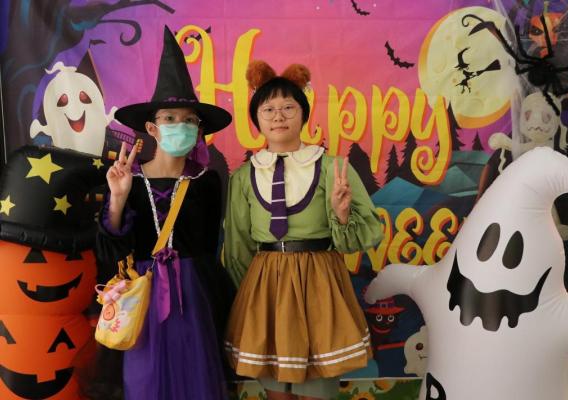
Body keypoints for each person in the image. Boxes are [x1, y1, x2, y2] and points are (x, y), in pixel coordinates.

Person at [224, 60, 383, 400]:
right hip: (266, 289)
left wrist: (341, 215)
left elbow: (368, 233)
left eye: (288, 107)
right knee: (276, 392)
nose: (278, 116)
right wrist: (252, 301)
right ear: (256, 118)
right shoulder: (244, 177)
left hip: (319, 283)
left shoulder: (332, 167)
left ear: (303, 114)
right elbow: (238, 246)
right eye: (268, 109)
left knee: (317, 390)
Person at [95, 26, 232, 400]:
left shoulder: (207, 181)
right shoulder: (129, 179)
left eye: (189, 120)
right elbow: (110, 249)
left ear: (199, 130)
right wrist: (118, 198)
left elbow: (210, 245)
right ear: (152, 128)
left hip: (193, 295)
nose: (180, 126)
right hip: (141, 296)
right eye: (170, 118)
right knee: (145, 380)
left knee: (196, 379)